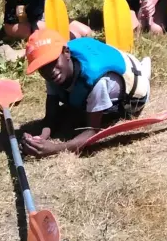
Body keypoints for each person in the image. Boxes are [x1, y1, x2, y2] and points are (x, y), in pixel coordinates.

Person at [20, 29, 151, 156]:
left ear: (66, 53)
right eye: (42, 68)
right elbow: (50, 117)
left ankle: (144, 69)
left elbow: (93, 130)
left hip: (134, 92)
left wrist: (53, 149)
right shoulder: (54, 74)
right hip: (113, 60)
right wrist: (40, 138)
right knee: (71, 110)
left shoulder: (96, 81)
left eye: (53, 62)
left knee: (78, 117)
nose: (50, 71)